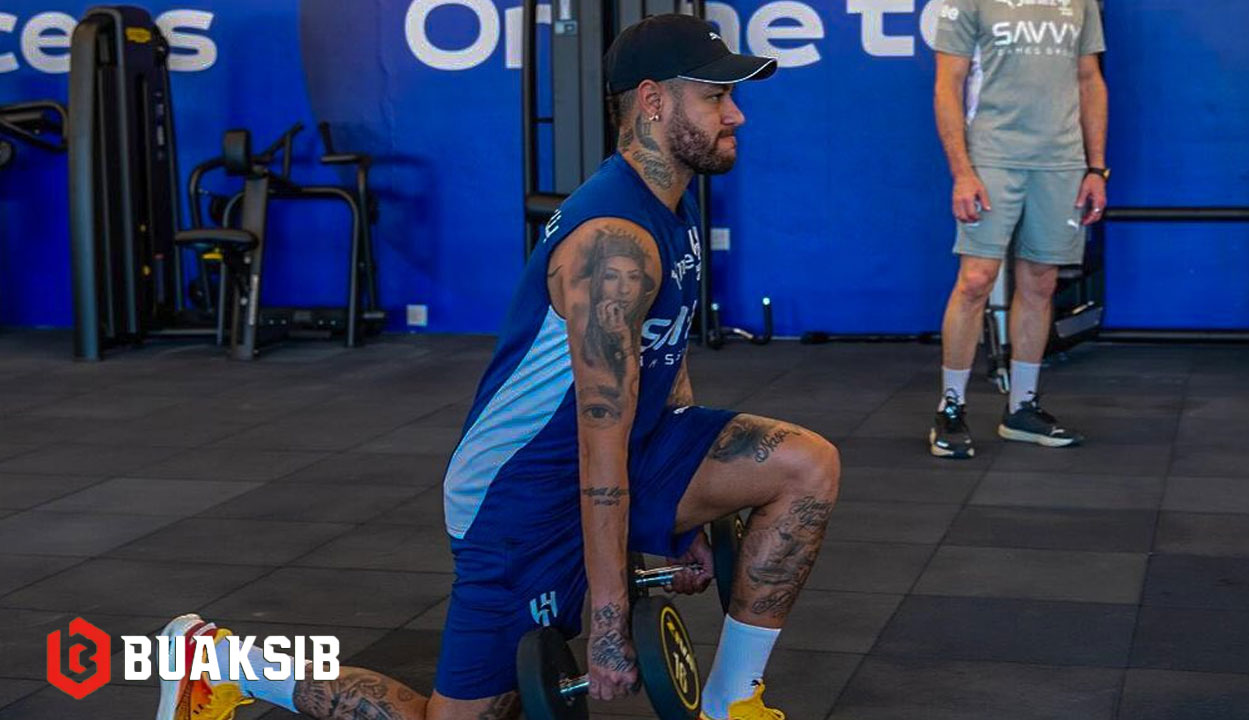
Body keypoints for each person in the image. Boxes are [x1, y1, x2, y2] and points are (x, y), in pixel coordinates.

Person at [155, 14, 839, 720]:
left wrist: (682, 512)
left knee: (804, 466)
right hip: (520, 496)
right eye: (715, 98)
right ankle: (222, 663)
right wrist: (609, 618)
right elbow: (596, 442)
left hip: (618, 454)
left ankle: (730, 705)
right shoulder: (613, 243)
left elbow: (664, 361)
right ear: (653, 101)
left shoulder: (672, 204)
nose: (736, 114)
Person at [929, 0, 1110, 459]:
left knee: (1041, 281)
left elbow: (1089, 80)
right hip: (992, 157)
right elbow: (948, 84)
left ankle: (1021, 409)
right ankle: (951, 407)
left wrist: (1095, 168)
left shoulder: (1081, 2)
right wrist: (962, 172)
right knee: (975, 281)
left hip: (1061, 161)